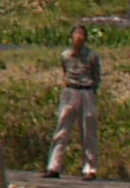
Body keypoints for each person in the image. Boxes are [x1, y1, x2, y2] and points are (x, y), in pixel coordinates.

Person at [44, 23, 102, 179]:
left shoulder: (91, 56)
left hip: (86, 91)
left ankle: (90, 168)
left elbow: (97, 77)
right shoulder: (66, 55)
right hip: (70, 90)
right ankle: (54, 167)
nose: (78, 37)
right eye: (76, 34)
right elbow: (65, 71)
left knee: (88, 130)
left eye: (81, 35)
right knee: (62, 128)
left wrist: (92, 92)